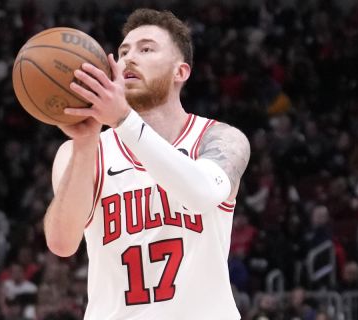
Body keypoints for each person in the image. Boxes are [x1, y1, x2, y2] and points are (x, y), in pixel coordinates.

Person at [43, 8, 250, 320]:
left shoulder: (221, 140)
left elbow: (202, 194)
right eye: (123, 51)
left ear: (181, 72)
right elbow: (61, 243)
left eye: (146, 49)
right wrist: (85, 145)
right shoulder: (82, 151)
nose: (129, 58)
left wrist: (123, 120)